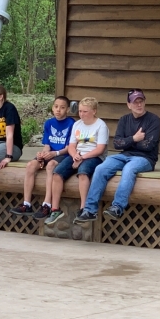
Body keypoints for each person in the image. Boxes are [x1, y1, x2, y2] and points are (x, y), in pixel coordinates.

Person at [75, 89, 160, 225]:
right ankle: (89, 210)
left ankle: (117, 207)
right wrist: (134, 138)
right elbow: (116, 144)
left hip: (145, 159)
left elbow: (148, 146)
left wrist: (127, 142)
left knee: (129, 169)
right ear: (129, 105)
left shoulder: (154, 120)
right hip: (124, 155)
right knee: (101, 168)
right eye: (135, 102)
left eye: (141, 101)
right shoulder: (124, 120)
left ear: (144, 102)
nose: (139, 105)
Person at [44, 97, 108, 226]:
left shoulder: (101, 125)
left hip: (94, 156)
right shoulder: (77, 124)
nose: (81, 114)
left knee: (83, 172)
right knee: (57, 173)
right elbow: (72, 145)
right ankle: (55, 209)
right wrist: (75, 156)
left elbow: (100, 149)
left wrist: (82, 158)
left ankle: (84, 208)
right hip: (77, 155)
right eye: (80, 111)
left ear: (94, 111)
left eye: (85, 111)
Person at [10, 96, 74, 220]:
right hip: (50, 153)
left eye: (62, 107)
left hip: (62, 155)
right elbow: (47, 145)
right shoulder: (49, 123)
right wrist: (42, 154)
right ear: (52, 107)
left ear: (68, 110)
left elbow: (69, 148)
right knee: (30, 165)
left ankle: (47, 204)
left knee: (50, 166)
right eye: (56, 107)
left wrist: (54, 154)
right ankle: (26, 204)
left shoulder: (72, 123)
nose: (58, 110)